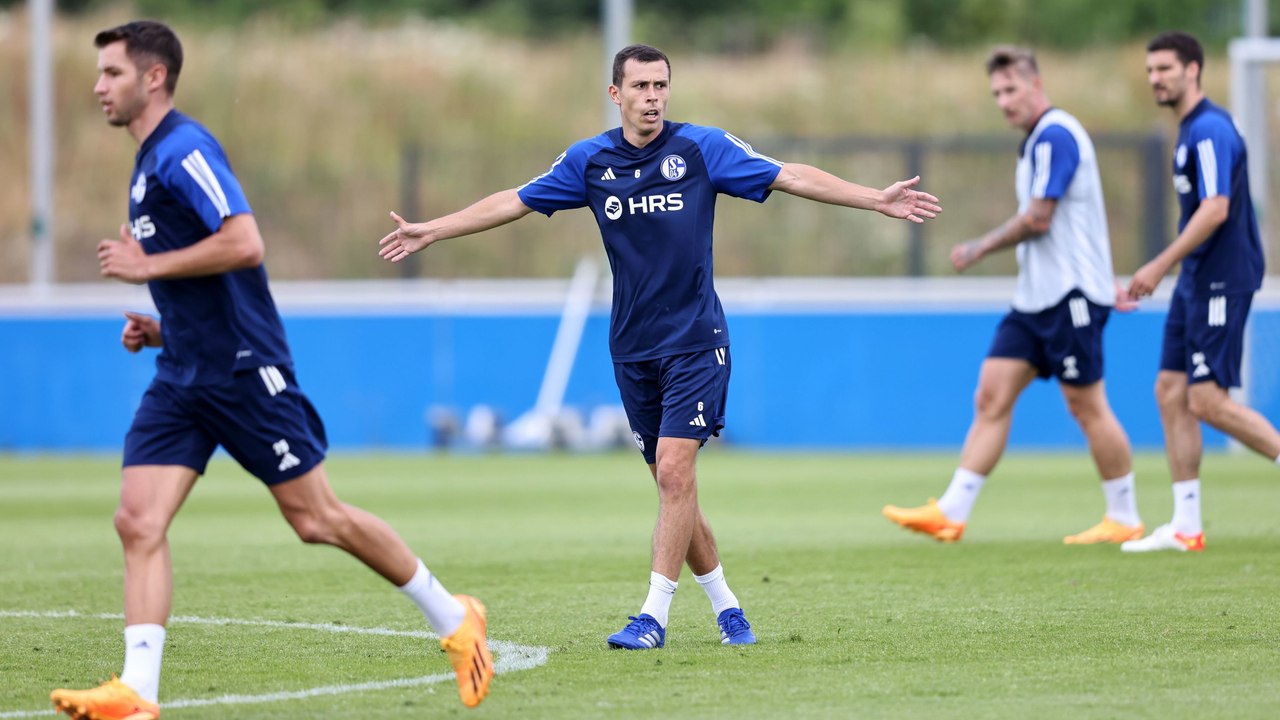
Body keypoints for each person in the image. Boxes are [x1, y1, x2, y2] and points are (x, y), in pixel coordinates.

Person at [378, 44, 940, 649]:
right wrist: (433, 229)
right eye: (641, 86)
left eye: (661, 85)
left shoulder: (702, 148)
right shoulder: (589, 161)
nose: (652, 97)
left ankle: (652, 617)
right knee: (675, 488)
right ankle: (729, 610)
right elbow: (514, 200)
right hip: (632, 348)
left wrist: (873, 198)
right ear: (615, 93)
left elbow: (791, 175)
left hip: (696, 341)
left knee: (675, 472)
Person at [50, 22, 493, 720]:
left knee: (317, 518)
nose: (99, 86)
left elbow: (244, 241)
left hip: (242, 370)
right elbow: (204, 275)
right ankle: (137, 691)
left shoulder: (184, 150)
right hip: (182, 373)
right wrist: (162, 326)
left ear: (154, 77)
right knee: (137, 521)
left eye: (112, 73)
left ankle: (454, 615)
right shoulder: (146, 163)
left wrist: (146, 266)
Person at [882, 46, 1142, 545]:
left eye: (1011, 89)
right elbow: (1080, 223)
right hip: (1034, 300)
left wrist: (979, 247)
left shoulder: (1056, 135)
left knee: (1087, 405)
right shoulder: (1036, 142)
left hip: (1070, 298)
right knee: (991, 394)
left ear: (1035, 84)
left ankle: (1124, 515)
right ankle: (952, 511)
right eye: (996, 93)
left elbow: (1040, 219)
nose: (1003, 101)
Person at [1120, 31, 1280, 553]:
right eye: (1150, 70)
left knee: (1207, 400)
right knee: (1170, 391)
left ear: (1193, 69)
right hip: (1195, 280)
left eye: (1165, 68)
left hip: (1221, 279)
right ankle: (1186, 525)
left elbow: (1216, 208)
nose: (1155, 78)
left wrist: (1159, 263)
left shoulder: (1210, 129)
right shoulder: (1189, 130)